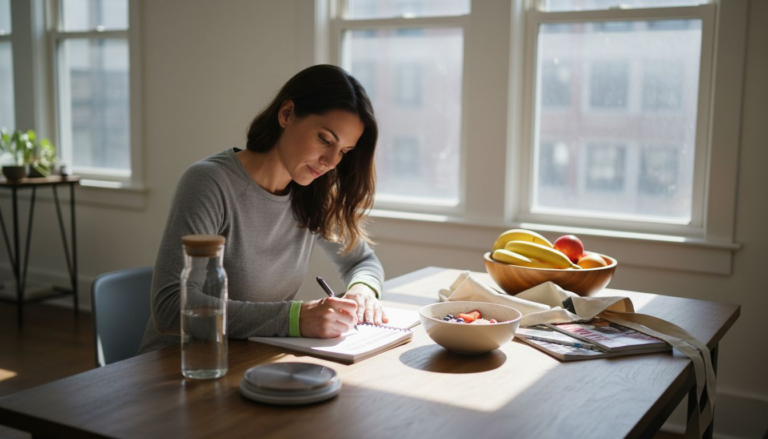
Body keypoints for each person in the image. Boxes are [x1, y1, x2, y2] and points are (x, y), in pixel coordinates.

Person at [138, 65, 386, 354]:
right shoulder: (209, 183)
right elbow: (170, 306)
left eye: (343, 151)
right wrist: (294, 318)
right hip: (181, 366)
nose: (331, 161)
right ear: (287, 114)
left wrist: (363, 291)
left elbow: (362, 262)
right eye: (325, 140)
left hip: (251, 360)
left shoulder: (313, 194)